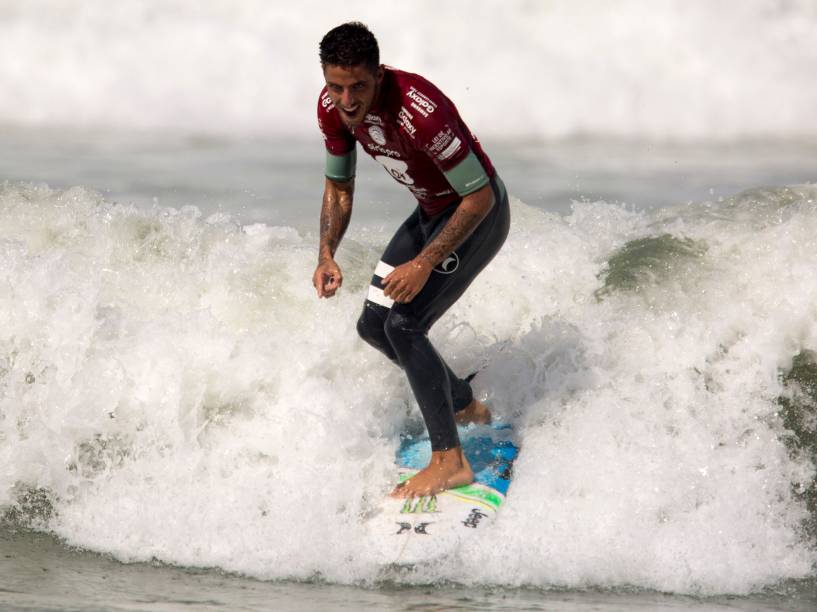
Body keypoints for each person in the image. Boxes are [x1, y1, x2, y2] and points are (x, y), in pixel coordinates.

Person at [312, 22, 510, 498]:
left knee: (403, 325)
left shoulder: (420, 112)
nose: (347, 99)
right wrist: (326, 254)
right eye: (336, 86)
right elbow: (339, 185)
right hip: (431, 212)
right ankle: (464, 405)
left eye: (358, 85)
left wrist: (423, 262)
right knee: (373, 325)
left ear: (378, 74)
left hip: (476, 214)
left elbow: (478, 196)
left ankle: (450, 461)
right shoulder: (332, 109)